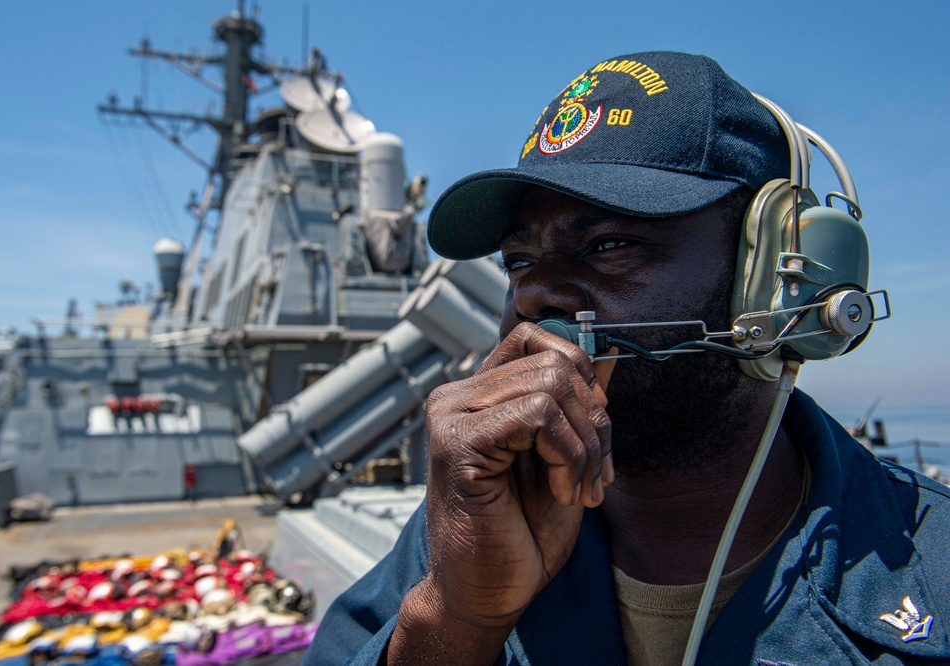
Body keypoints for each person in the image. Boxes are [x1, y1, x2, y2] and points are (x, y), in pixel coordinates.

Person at [302, 51, 950, 665]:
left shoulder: (932, 568)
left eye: (610, 244)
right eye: (519, 261)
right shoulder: (473, 521)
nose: (534, 294)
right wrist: (455, 617)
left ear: (776, 283)